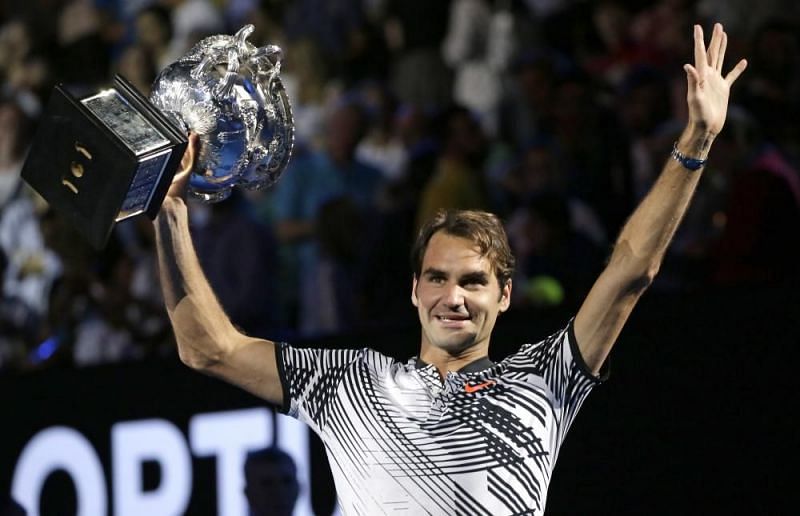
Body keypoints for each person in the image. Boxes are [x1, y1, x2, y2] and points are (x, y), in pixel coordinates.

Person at [153, 23, 746, 515]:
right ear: (414, 290)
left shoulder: (545, 381)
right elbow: (209, 349)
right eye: (437, 278)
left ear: (505, 295)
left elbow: (630, 271)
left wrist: (696, 138)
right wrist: (171, 210)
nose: (453, 296)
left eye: (474, 281)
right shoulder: (347, 384)